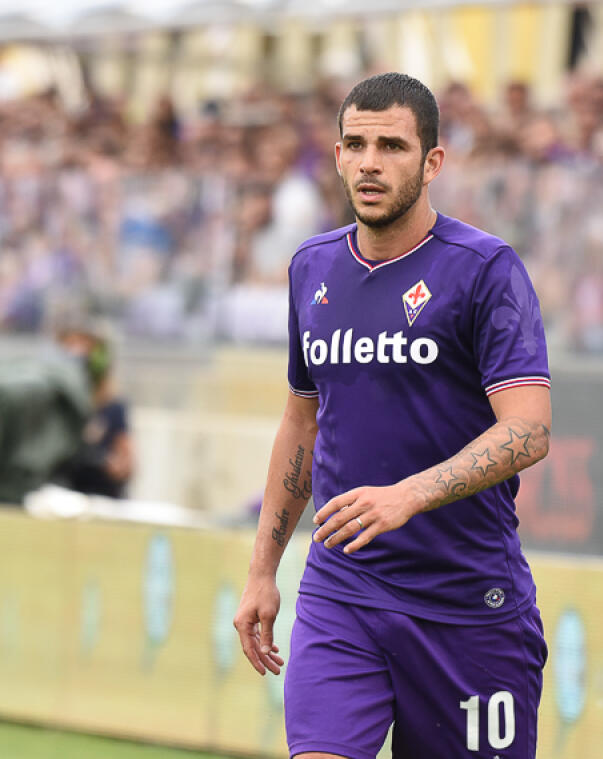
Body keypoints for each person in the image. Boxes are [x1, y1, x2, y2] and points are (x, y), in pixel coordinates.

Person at [233, 72, 552, 759]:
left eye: (392, 145)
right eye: (355, 143)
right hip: (344, 589)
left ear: (432, 161)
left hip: (469, 607)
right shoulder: (311, 268)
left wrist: (410, 494)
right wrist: (264, 568)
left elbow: (528, 429)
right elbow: (300, 422)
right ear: (338, 156)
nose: (370, 162)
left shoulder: (485, 270)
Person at [56, 320, 134, 499]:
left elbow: (127, 464)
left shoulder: (114, 406)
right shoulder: (59, 403)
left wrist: (113, 466)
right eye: (70, 345)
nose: (77, 353)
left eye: (84, 344)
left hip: (101, 497)